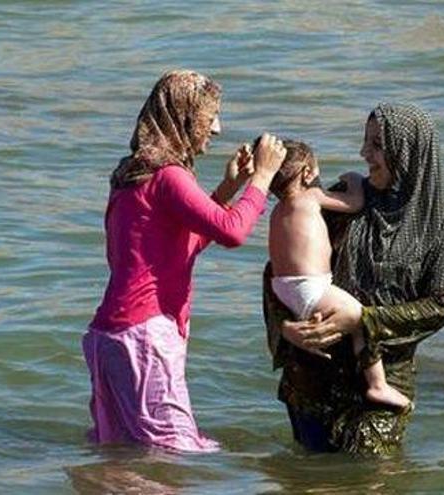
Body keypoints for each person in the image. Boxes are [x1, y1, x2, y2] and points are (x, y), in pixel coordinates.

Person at [83, 70, 287, 451]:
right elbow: (232, 232)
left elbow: (178, 248)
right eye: (210, 118)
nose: (217, 129)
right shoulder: (170, 176)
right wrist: (261, 178)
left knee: (122, 459)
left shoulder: (134, 172)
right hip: (144, 337)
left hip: (110, 338)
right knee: (173, 454)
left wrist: (228, 189)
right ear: (185, 117)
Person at [263, 103, 444, 454]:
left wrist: (363, 319)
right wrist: (284, 327)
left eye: (377, 145)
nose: (363, 154)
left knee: (373, 478)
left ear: (405, 150)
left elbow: (440, 307)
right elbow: (282, 268)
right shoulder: (344, 198)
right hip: (311, 376)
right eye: (365, 142)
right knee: (304, 481)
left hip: (384, 384)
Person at [267, 140, 411, 411]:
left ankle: (311, 340)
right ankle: (378, 384)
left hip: (282, 288)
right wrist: (355, 180)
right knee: (362, 318)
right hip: (310, 286)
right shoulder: (310, 197)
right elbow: (354, 203)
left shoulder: (278, 210)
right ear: (308, 174)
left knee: (329, 318)